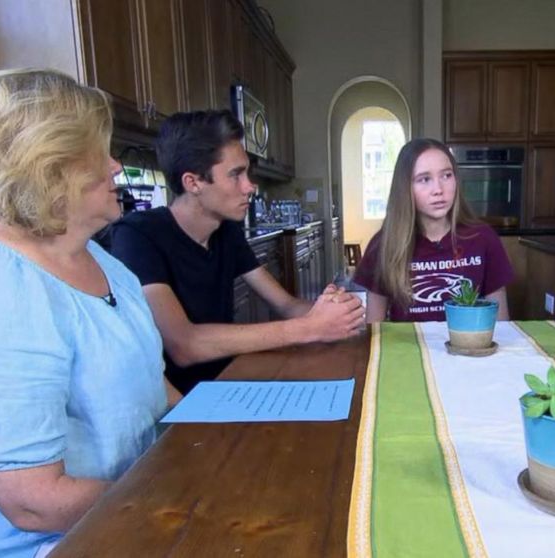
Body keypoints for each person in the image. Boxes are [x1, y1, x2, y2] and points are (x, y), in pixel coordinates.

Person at [0, 69, 175, 557]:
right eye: (99, 153)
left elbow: (151, 384)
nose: (117, 166)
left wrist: (214, 441)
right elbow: (34, 504)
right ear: (49, 168)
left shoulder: (98, 259)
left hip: (137, 507)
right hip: (53, 544)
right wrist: (180, 497)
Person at [109, 110, 364, 395]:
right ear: (192, 182)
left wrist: (335, 312)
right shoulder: (138, 235)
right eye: (235, 175)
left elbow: (286, 306)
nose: (250, 186)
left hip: (228, 384)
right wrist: (310, 328)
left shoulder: (226, 232)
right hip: (174, 407)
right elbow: (185, 344)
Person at [354, 138, 514, 322]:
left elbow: (501, 326)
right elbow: (376, 329)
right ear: (405, 188)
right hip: (409, 350)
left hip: (469, 348)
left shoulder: (484, 239)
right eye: (424, 179)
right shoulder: (383, 245)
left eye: (446, 175)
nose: (438, 189)